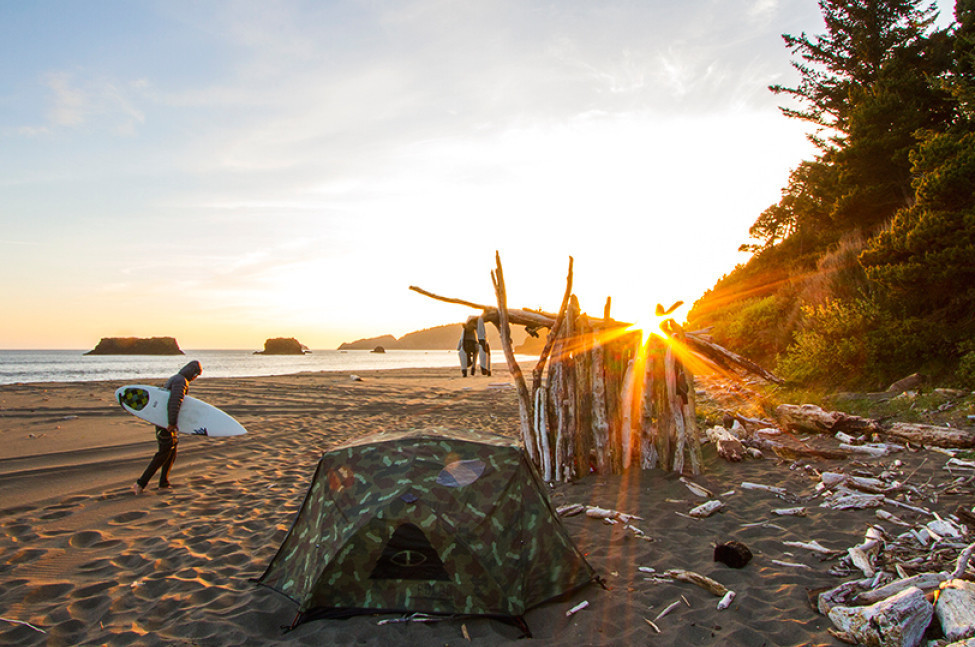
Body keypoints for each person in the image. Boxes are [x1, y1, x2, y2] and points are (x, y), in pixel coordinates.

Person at [132, 360, 202, 494]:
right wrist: (171, 422)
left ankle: (164, 482)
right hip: (165, 422)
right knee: (163, 453)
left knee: (172, 450)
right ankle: (140, 483)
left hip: (164, 421)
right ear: (193, 373)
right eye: (196, 376)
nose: (195, 379)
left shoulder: (175, 378)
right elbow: (175, 401)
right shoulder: (181, 381)